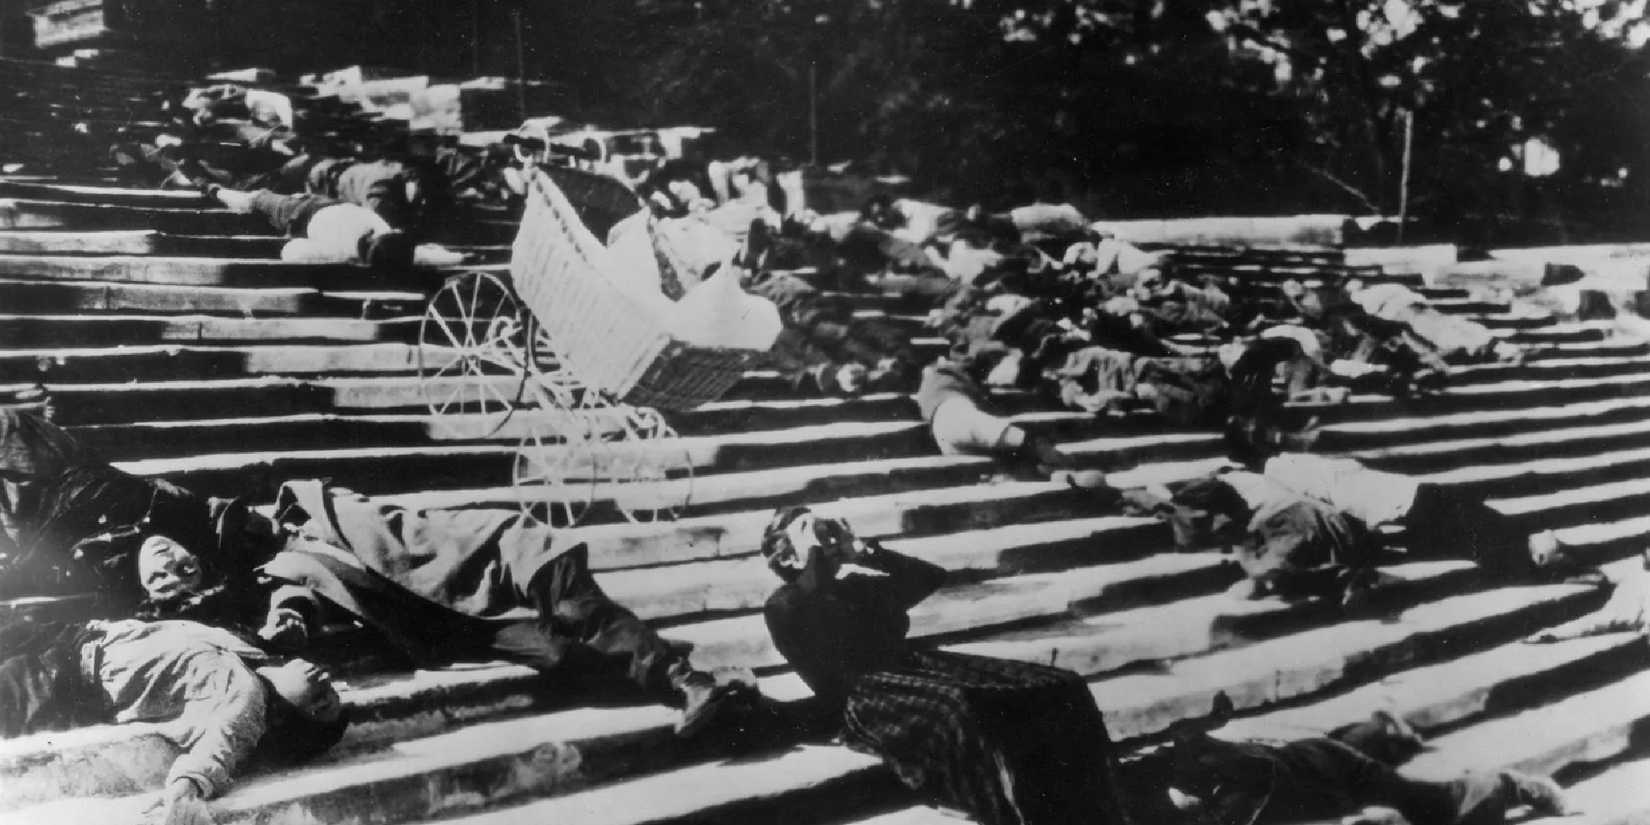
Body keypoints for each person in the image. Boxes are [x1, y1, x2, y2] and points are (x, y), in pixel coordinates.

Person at [0, 408, 757, 739]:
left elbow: (231, 529)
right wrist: (276, 616)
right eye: (161, 565)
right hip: (402, 612)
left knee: (540, 571)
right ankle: (706, 690)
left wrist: (253, 542)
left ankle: (687, 681)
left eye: (170, 551)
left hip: (417, 558)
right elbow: (271, 597)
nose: (170, 560)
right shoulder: (248, 581)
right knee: (555, 652)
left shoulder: (310, 520)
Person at [759, 507, 1134, 825]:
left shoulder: (856, 587)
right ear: (789, 558)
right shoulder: (784, 605)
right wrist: (814, 555)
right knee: (962, 705)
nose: (823, 540)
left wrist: (863, 552)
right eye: (810, 535)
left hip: (910, 667)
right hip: (865, 696)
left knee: (1055, 684)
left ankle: (1098, 806)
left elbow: (929, 577)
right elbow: (815, 625)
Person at [0, 616, 346, 824]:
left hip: (55, 679)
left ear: (287, 717)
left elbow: (220, 746)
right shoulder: (253, 653)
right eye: (332, 692)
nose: (324, 682)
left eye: (321, 704)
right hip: (74, 634)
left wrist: (187, 789)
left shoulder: (245, 698)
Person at [1137, 721, 1569, 825]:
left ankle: (1512, 784)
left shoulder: (1233, 774)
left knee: (1435, 806)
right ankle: (1383, 732)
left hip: (1327, 769)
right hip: (1303, 766)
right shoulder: (1138, 791)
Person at [198, 182, 415, 273]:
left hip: (311, 208)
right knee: (249, 201)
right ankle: (214, 190)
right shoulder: (344, 251)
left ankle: (215, 190)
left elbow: (291, 251)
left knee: (252, 200)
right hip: (303, 209)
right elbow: (291, 251)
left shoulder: (377, 230)